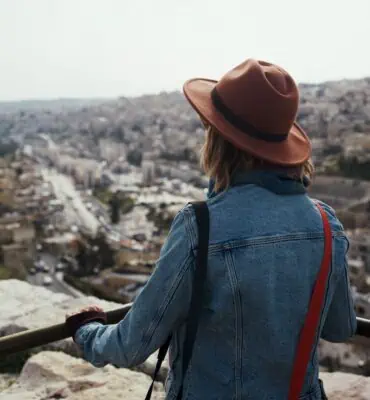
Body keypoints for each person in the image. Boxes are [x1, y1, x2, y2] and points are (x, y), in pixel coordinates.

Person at [66, 59, 357, 399]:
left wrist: (86, 332)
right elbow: (341, 328)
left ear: (218, 141)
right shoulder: (326, 223)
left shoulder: (201, 226)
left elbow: (131, 345)